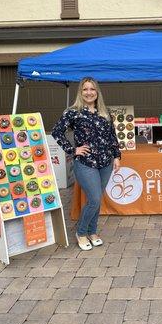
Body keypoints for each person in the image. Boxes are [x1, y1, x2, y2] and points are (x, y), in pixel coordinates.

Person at [51, 77, 121, 251]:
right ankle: (81, 232)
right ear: (80, 92)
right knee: (95, 198)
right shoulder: (73, 112)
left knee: (95, 200)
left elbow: (112, 136)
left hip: (105, 162)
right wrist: (72, 150)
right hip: (85, 162)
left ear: (97, 92)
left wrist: (117, 156)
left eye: (92, 89)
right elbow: (57, 132)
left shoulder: (104, 112)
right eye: (85, 89)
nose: (89, 92)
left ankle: (93, 231)